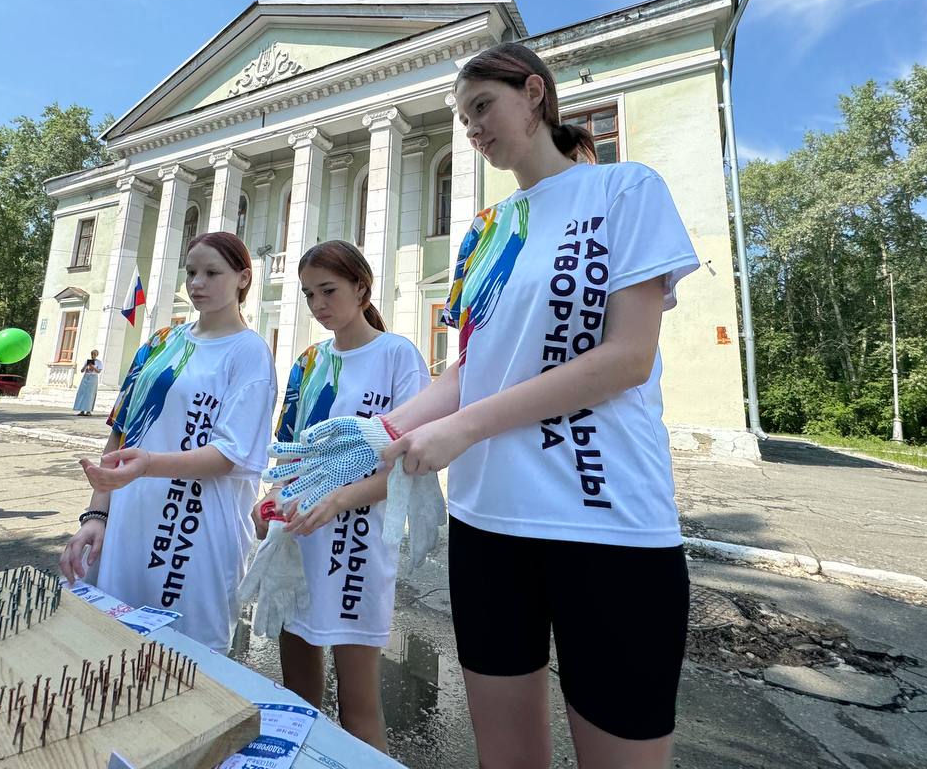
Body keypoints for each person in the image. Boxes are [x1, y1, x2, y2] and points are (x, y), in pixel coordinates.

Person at [274, 43, 700, 769]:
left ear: (534, 94)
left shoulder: (625, 191)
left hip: (608, 522)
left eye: (482, 109)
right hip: (489, 526)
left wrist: (462, 428)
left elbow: (627, 358)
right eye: (462, 118)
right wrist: (379, 430)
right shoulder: (484, 231)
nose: (472, 129)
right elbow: (468, 370)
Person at [58, 232, 278, 652]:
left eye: (212, 273)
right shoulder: (160, 344)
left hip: (194, 535)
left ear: (243, 279)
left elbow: (229, 454)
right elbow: (120, 435)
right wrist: (95, 516)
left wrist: (148, 465)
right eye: (191, 272)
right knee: (107, 650)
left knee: (185, 664)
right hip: (128, 524)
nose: (197, 283)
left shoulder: (249, 353)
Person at [255, 241, 428, 752]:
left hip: (357, 548)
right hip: (299, 540)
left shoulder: (398, 356)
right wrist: (269, 501)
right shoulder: (309, 363)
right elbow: (291, 453)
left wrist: (338, 499)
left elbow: (412, 470)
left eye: (328, 290)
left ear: (361, 287)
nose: (318, 305)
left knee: (359, 707)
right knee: (299, 699)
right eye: (309, 295)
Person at [73, 349, 103, 416]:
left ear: (97, 355)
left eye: (94, 354)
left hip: (93, 378)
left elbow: (98, 371)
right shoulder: (87, 361)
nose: (93, 355)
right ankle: (82, 410)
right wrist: (86, 366)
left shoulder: (99, 362)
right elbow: (82, 370)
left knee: (90, 394)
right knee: (83, 393)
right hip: (86, 377)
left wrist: (93, 367)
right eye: (92, 354)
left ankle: (88, 411)